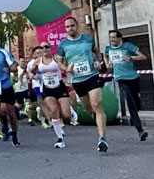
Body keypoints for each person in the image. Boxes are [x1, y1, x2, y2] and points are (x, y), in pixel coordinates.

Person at [56, 17, 108, 152]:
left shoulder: (88, 39)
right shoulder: (63, 45)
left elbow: (97, 52)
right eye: (67, 27)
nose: (70, 29)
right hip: (78, 80)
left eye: (72, 26)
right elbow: (60, 62)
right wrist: (66, 68)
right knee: (89, 108)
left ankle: (102, 138)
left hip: (91, 76)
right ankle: (97, 119)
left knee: (97, 104)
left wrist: (98, 61)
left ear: (77, 25)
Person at [104, 29, 148, 141]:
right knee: (130, 101)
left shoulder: (128, 46)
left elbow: (143, 57)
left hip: (133, 77)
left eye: (114, 37)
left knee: (136, 103)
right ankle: (140, 130)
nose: (112, 40)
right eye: (110, 37)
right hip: (120, 78)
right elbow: (105, 56)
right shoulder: (108, 49)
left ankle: (134, 117)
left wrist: (131, 58)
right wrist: (108, 63)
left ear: (120, 38)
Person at [31, 42, 71, 148]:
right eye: (42, 47)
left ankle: (70, 110)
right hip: (47, 88)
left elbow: (63, 66)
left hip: (59, 86)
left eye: (46, 47)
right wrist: (31, 75)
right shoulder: (38, 61)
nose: (44, 49)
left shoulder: (55, 58)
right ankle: (60, 139)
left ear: (50, 48)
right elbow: (31, 71)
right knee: (53, 111)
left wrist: (67, 69)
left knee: (66, 114)